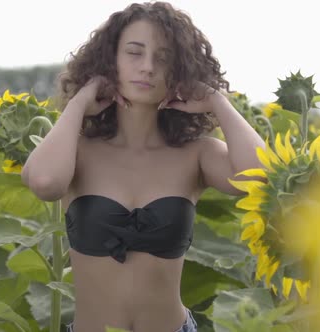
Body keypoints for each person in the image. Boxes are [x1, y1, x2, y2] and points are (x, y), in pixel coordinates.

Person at [21, 2, 265, 331]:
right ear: (110, 61)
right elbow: (44, 181)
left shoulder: (196, 154)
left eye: (163, 57)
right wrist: (81, 100)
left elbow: (261, 177)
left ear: (180, 71)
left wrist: (216, 100)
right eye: (134, 52)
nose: (148, 67)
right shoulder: (78, 151)